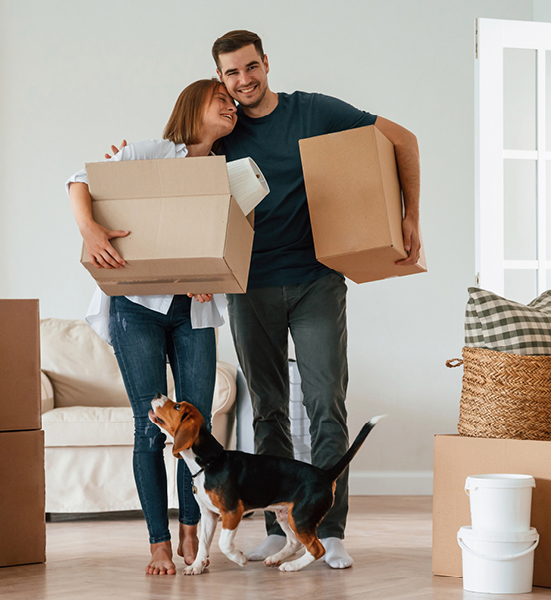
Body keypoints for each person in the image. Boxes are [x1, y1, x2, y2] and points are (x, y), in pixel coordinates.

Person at [211, 29, 424, 569]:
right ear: (221, 78)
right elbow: (172, 171)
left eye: (250, 67)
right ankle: (277, 530)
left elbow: (404, 139)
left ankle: (328, 531)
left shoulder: (313, 111)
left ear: (266, 63)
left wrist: (409, 216)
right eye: (232, 73)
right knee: (267, 411)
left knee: (326, 405)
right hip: (250, 286)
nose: (244, 80)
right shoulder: (220, 131)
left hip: (316, 281)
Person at [66, 78, 237, 576]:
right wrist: (90, 229)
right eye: (219, 99)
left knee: (196, 425)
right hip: (136, 305)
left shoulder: (226, 173)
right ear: (192, 107)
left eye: (232, 102)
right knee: (150, 427)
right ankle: (158, 542)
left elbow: (230, 240)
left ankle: (191, 529)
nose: (230, 106)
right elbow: (79, 179)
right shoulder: (146, 153)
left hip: (194, 312)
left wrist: (213, 277)